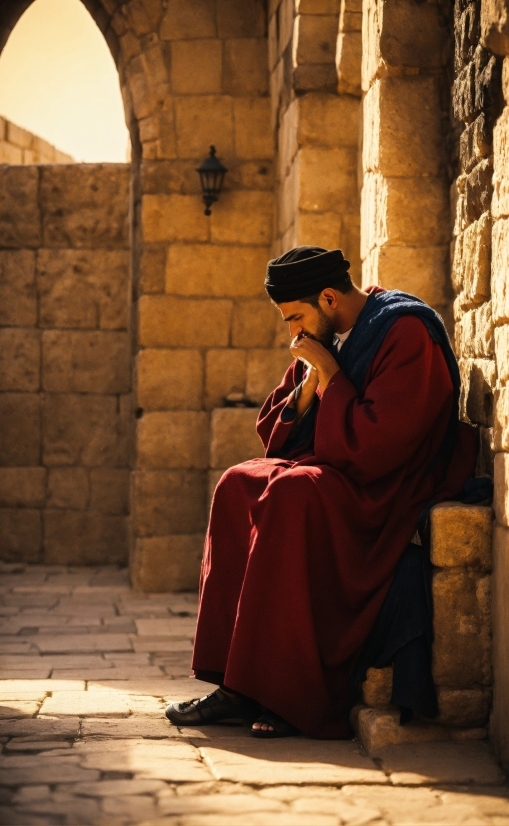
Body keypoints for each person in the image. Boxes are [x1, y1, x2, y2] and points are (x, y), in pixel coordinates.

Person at [165, 246, 477, 739]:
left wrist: (331, 377)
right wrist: (308, 388)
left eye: (295, 317)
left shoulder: (405, 331)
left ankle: (290, 696)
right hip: (336, 469)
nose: (293, 331)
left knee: (293, 494)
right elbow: (274, 431)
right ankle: (235, 684)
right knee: (236, 484)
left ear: (329, 297)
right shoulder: (324, 336)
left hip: (383, 489)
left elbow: (377, 447)